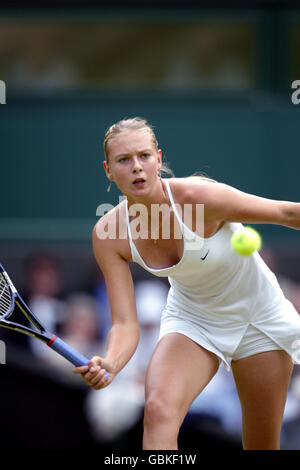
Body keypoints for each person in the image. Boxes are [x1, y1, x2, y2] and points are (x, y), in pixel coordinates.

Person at [73, 117, 300, 450]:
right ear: (109, 170)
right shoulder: (109, 235)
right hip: (194, 318)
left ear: (159, 159)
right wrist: (111, 362)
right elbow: (125, 324)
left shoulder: (198, 197)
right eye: (124, 160)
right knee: (158, 410)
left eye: (144, 156)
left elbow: (286, 214)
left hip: (260, 317)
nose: (136, 167)